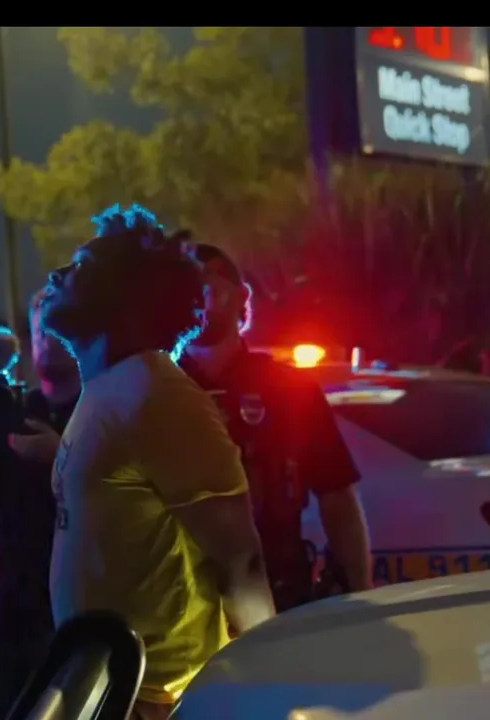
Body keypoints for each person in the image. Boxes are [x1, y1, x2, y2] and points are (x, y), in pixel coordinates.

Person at [39, 204, 275, 720]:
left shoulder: (155, 393)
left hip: (157, 697)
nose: (57, 275)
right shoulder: (109, 388)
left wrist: (267, 688)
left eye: (81, 267)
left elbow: (241, 558)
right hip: (112, 690)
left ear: (124, 296)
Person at [178, 242, 373, 609]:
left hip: (277, 591)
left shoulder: (288, 388)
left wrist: (360, 592)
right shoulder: (155, 389)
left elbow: (337, 496)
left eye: (213, 283)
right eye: (189, 286)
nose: (203, 296)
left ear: (242, 297)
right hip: (186, 602)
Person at [0, 288, 81, 720]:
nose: (45, 339)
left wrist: (60, 454)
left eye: (55, 328)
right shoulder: (14, 410)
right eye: (39, 329)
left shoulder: (97, 410)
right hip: (16, 599)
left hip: (79, 593)